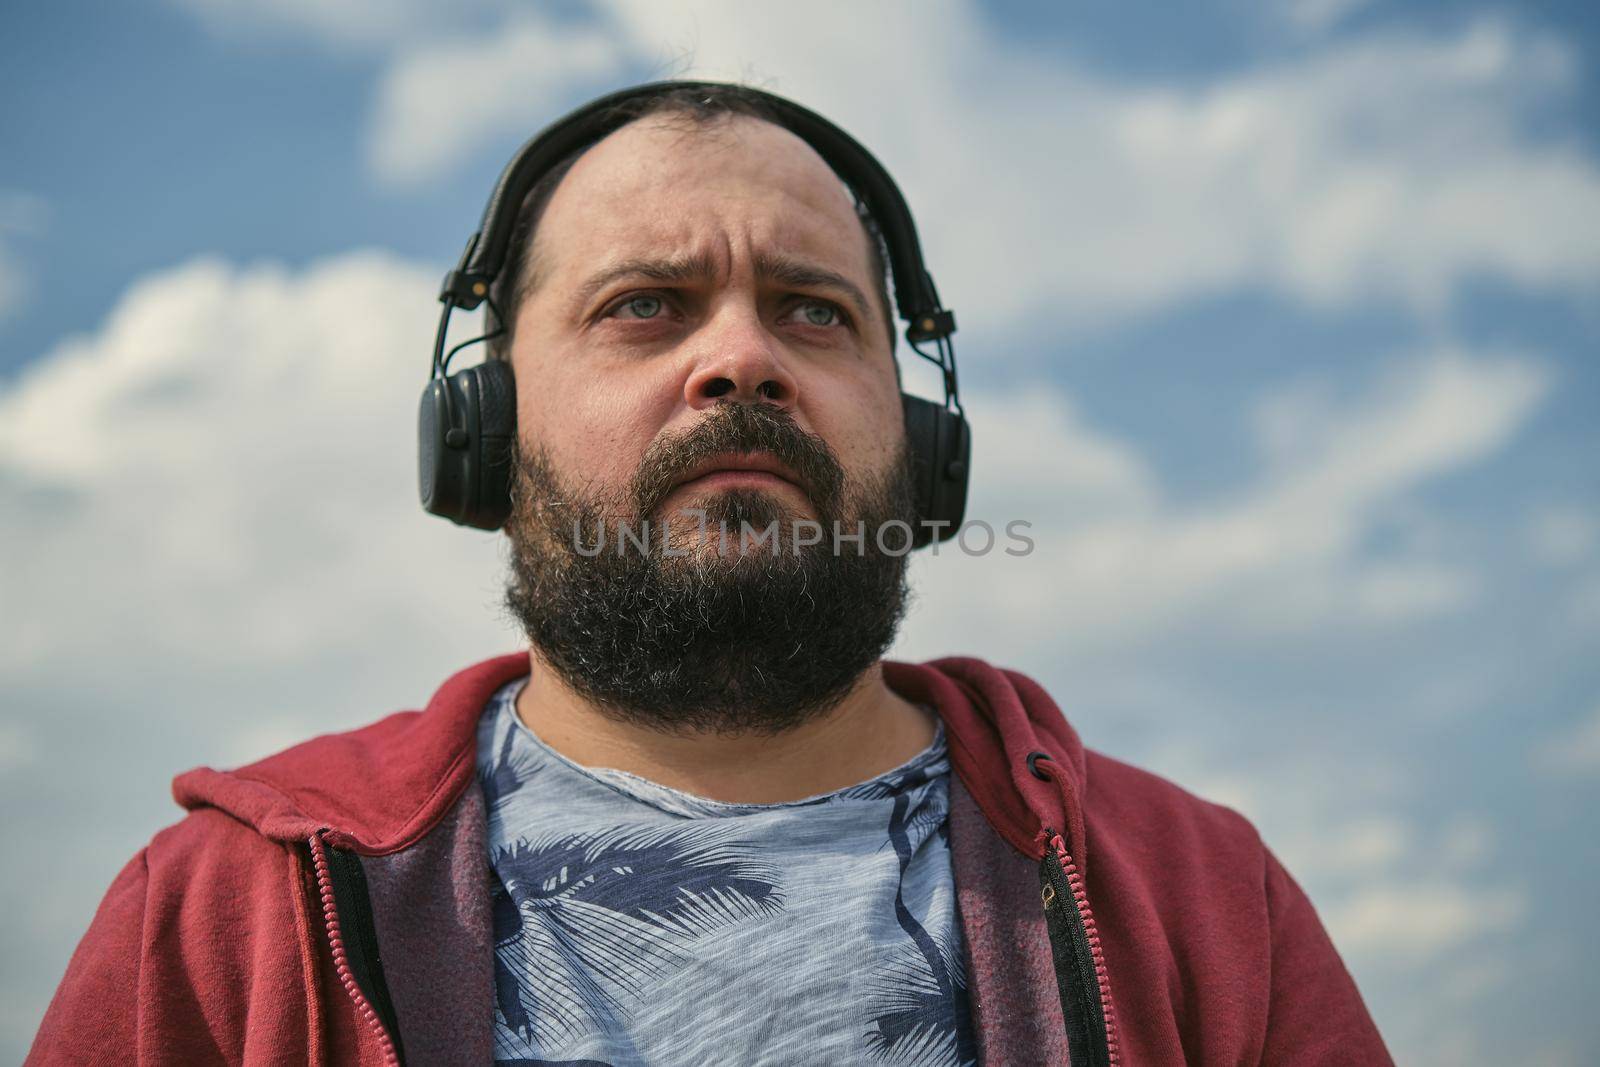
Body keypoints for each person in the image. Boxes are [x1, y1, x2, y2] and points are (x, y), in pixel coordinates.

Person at [29, 82, 1391, 1066]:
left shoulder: (1205, 901)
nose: (742, 358)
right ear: (486, 433)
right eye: (645, 308)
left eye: (816, 310)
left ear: (920, 447)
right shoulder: (224, 919)